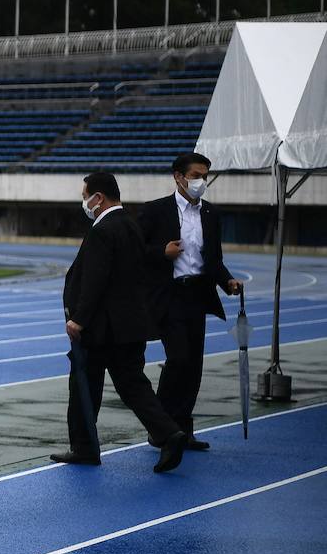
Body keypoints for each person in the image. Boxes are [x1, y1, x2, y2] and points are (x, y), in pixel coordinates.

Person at [51, 172, 187, 473]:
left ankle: (84, 448)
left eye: (85, 196)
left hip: (103, 328)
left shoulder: (104, 230)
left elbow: (97, 280)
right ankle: (169, 433)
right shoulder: (131, 224)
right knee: (133, 386)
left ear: (98, 198)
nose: (84, 202)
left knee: (84, 385)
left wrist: (79, 320)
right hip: (130, 325)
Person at [139, 153, 244, 450]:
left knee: (194, 365)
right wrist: (162, 252)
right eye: (196, 175)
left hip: (197, 295)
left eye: (205, 176)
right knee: (179, 359)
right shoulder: (155, 211)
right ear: (178, 176)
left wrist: (228, 282)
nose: (202, 182)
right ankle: (161, 426)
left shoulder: (211, 214)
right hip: (169, 295)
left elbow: (214, 259)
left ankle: (183, 430)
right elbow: (135, 249)